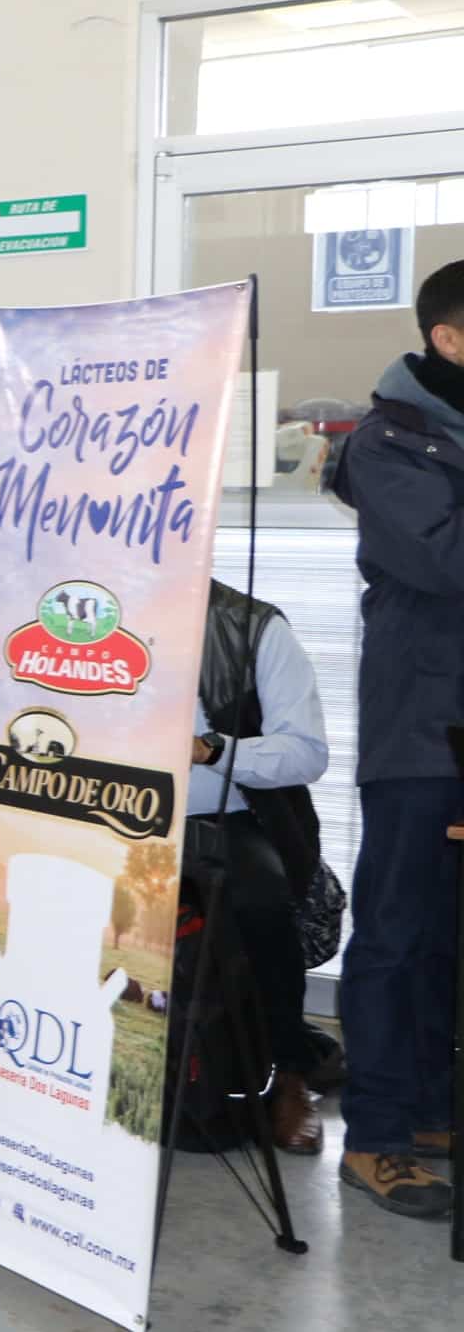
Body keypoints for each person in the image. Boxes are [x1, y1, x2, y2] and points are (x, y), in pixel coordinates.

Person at [327, 259, 464, 1221]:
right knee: (395, 931)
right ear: (449, 339)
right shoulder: (389, 440)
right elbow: (447, 558)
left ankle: (428, 1110)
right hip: (420, 725)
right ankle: (374, 1136)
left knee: (448, 935)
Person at [184, 580, 330, 1155]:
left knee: (260, 903)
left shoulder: (254, 627)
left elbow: (305, 753)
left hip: (225, 815)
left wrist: (213, 748)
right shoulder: (84, 610)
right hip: (106, 806)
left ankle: (291, 1072)